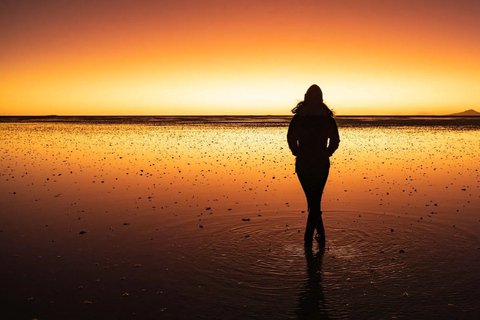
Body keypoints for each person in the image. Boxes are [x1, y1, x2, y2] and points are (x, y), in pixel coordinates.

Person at [287, 84, 340, 247]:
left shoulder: (299, 117)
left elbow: (291, 139)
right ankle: (318, 238)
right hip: (320, 162)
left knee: (313, 201)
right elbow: (335, 141)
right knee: (315, 201)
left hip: (305, 162)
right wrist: (326, 153)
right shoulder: (327, 118)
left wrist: (298, 153)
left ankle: (310, 240)